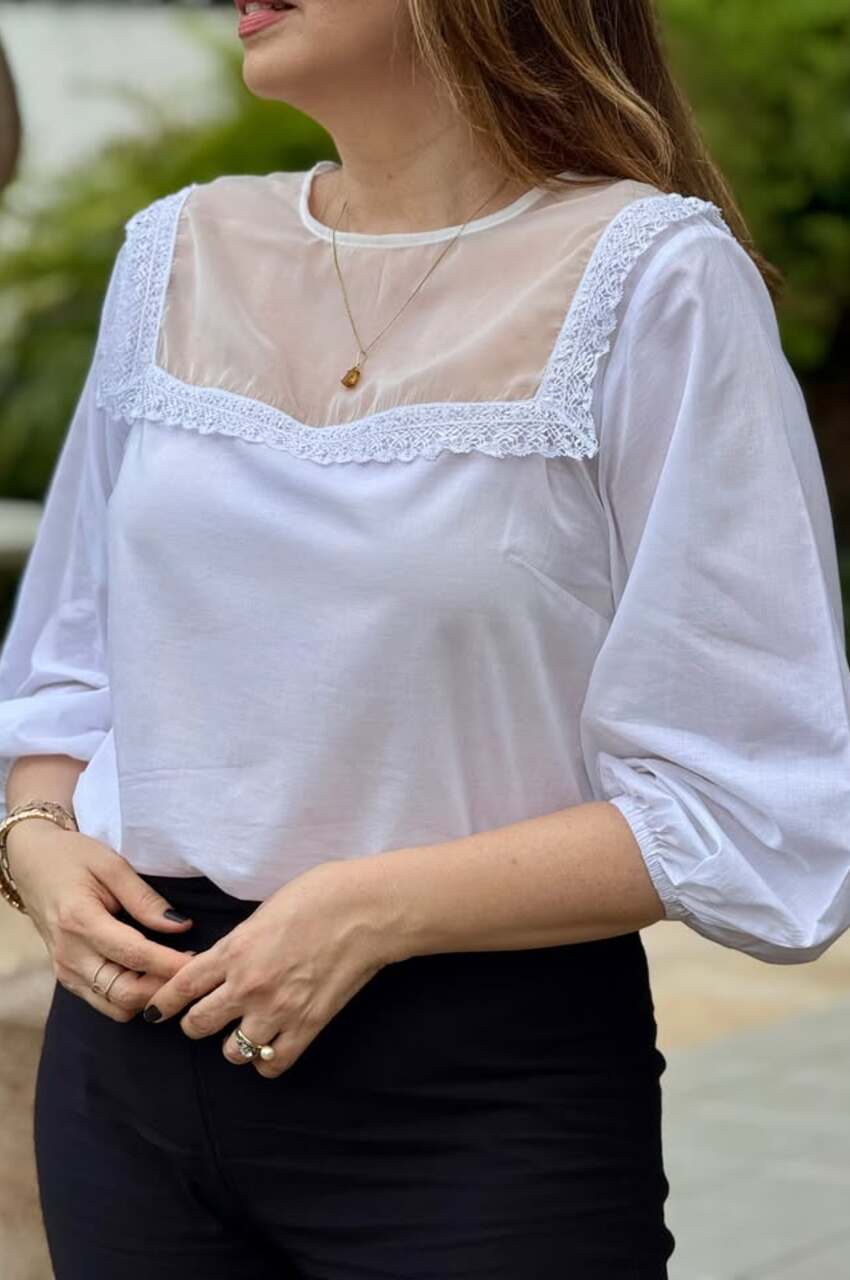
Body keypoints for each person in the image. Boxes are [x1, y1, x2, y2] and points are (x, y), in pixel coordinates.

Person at [1, 1, 849, 1276]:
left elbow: (759, 794)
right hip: (124, 1083)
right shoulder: (175, 251)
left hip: (472, 1103)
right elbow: (67, 664)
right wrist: (36, 838)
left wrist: (373, 906)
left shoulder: (655, 279)